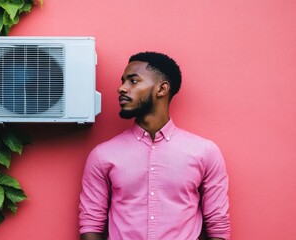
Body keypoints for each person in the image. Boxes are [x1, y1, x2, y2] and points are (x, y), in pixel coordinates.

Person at [78, 52, 230, 240]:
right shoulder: (102, 155)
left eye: (133, 81)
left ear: (161, 89)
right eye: (123, 81)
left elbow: (218, 226)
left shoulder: (205, 153)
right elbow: (91, 224)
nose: (121, 89)